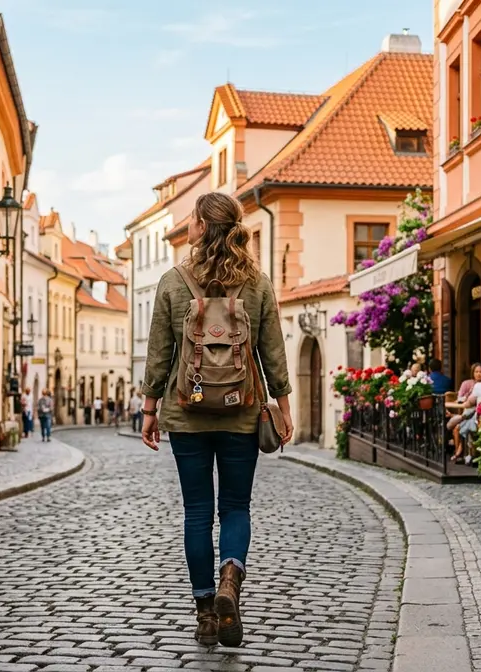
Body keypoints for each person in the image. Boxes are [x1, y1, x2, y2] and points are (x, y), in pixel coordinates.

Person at [141, 192, 294, 648]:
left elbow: (159, 353)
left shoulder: (173, 282)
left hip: (185, 412)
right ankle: (231, 576)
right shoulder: (257, 283)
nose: (188, 224)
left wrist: (149, 409)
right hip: (243, 411)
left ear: (203, 227)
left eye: (192, 218)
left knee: (196, 512)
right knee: (235, 507)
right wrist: (283, 408)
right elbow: (273, 351)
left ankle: (206, 614)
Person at [451, 366, 481, 465]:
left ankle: (468, 455)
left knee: (463, 425)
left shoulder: (479, 386)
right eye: (476, 372)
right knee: (463, 424)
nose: (479, 374)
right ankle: (466, 454)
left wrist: (466, 402)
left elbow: (468, 403)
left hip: (479, 417)